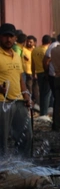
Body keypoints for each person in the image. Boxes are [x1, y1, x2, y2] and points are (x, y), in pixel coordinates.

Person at [0, 23, 33, 155]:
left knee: (26, 135)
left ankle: (24, 165)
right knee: (2, 138)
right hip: (2, 102)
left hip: (18, 101)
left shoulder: (17, 55)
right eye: (5, 36)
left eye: (11, 36)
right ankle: (3, 169)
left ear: (15, 38)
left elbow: (20, 79)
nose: (8, 39)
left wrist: (26, 96)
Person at [32, 35, 50, 112]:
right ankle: (44, 112)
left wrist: (33, 73)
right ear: (50, 42)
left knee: (42, 93)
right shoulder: (47, 51)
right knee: (47, 93)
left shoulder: (35, 50)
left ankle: (42, 110)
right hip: (46, 73)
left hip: (38, 73)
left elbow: (32, 63)